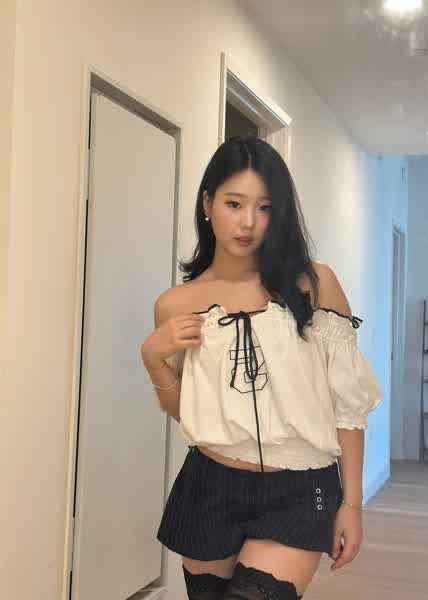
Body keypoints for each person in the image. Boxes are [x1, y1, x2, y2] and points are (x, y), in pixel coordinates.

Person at [140, 136, 382, 600]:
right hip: (209, 486)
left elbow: (347, 407)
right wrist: (153, 358)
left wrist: (352, 503)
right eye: (234, 204)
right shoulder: (175, 304)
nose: (248, 222)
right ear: (207, 203)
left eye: (264, 207)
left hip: (300, 489)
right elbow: (186, 409)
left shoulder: (314, 283)